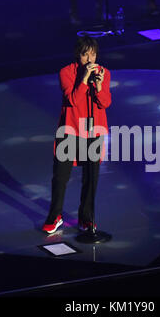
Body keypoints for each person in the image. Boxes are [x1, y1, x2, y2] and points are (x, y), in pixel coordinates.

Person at [42, 36, 112, 234]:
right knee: (60, 177)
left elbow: (105, 103)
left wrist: (98, 86)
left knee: (91, 178)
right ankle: (55, 215)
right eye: (85, 55)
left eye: (93, 54)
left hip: (93, 130)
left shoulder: (104, 73)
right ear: (77, 55)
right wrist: (83, 80)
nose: (90, 59)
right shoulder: (66, 72)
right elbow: (72, 99)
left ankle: (86, 218)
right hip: (71, 130)